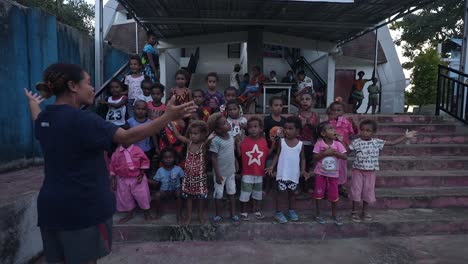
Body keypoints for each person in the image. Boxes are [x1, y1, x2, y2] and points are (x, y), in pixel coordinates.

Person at [25, 63, 195, 264]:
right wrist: (167, 117)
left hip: (51, 209)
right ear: (72, 86)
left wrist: (33, 104)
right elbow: (127, 137)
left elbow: (37, 119)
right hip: (83, 209)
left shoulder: (46, 118)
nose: (93, 88)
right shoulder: (85, 121)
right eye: (88, 82)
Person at [348, 120, 417, 222]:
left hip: (371, 172)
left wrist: (405, 137)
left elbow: (392, 143)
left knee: (368, 191)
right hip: (357, 171)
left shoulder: (376, 142)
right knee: (356, 191)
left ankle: (365, 211)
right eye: (362, 130)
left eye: (368, 130)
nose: (364, 132)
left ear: (373, 132)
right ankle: (354, 212)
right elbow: (346, 152)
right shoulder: (356, 142)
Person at [266, 116, 308, 224]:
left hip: (293, 174)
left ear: (297, 130)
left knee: (292, 194)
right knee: (280, 193)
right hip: (282, 173)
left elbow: (303, 158)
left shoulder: (300, 144)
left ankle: (291, 210)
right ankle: (278, 212)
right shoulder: (282, 142)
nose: (287, 131)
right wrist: (272, 166)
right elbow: (277, 155)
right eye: (286, 128)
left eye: (290, 129)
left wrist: (303, 170)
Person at [172, 121, 213, 225]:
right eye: (191, 133)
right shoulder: (189, 143)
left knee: (200, 198)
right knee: (189, 198)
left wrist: (209, 137)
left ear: (202, 134)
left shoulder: (203, 145)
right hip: (188, 177)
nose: (192, 136)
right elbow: (177, 135)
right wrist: (171, 122)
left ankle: (200, 216)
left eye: (195, 133)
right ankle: (189, 216)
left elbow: (209, 139)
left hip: (200, 177)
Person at [312, 121, 348, 226]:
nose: (334, 130)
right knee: (318, 193)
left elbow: (345, 157)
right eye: (331, 129)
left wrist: (336, 153)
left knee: (334, 194)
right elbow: (314, 157)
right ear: (323, 134)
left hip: (333, 175)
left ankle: (334, 214)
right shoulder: (319, 144)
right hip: (320, 173)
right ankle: (318, 214)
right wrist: (325, 153)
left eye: (333, 128)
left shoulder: (338, 144)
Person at [208, 113, 240, 224]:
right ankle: (218, 215)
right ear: (217, 129)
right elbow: (213, 158)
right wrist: (217, 174)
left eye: (226, 121)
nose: (228, 123)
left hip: (231, 172)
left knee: (232, 193)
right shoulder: (216, 140)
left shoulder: (231, 135)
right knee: (219, 195)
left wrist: (235, 162)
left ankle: (233, 214)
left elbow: (232, 151)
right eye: (224, 123)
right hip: (220, 174)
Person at [109, 143, 152, 224]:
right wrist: (113, 180)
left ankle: (147, 213)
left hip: (138, 178)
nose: (126, 140)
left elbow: (144, 161)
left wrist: (141, 173)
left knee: (143, 196)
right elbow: (112, 166)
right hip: (123, 179)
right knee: (126, 198)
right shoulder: (116, 153)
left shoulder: (137, 150)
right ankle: (130, 214)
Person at [238, 116, 269, 221]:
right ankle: (243, 211)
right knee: (245, 194)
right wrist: (237, 145)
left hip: (259, 173)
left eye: (255, 126)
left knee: (257, 194)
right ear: (247, 129)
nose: (253, 129)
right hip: (247, 172)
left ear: (261, 128)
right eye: (250, 127)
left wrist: (274, 145)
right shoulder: (245, 141)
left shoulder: (263, 141)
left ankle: (257, 210)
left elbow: (267, 153)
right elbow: (239, 154)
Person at [327, 101, 358, 197]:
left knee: (342, 168)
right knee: (330, 166)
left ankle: (340, 185)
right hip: (330, 148)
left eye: (339, 110)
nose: (336, 112)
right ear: (330, 111)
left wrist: (353, 123)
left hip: (342, 149)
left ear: (343, 111)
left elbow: (354, 132)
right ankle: (330, 186)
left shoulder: (346, 122)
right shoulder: (328, 122)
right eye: (334, 110)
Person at [151, 148, 185, 221]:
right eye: (166, 158)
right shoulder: (160, 170)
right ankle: (158, 212)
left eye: (170, 157)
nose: (168, 159)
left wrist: (182, 187)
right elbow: (156, 182)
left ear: (174, 158)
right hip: (164, 191)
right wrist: (145, 179)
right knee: (157, 195)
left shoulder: (178, 169)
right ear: (162, 159)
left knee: (179, 193)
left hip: (176, 189)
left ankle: (179, 214)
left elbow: (183, 179)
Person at [296, 93, 319, 194]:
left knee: (308, 165)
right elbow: (294, 129)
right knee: (299, 165)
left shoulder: (315, 116)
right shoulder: (297, 115)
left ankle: (307, 185)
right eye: (302, 99)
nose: (305, 101)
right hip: (299, 144)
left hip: (311, 144)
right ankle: (298, 185)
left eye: (307, 99)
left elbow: (319, 131)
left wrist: (312, 125)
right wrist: (302, 125)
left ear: (312, 102)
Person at [263, 96, 286, 193]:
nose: (278, 107)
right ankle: (266, 187)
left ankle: (280, 187)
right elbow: (263, 134)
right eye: (276, 105)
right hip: (270, 149)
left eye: (280, 105)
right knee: (269, 168)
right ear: (271, 107)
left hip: (282, 149)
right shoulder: (267, 120)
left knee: (281, 168)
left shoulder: (284, 121)